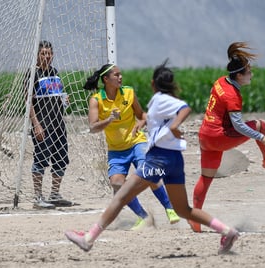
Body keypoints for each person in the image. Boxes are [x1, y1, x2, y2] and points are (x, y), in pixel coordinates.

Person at [65, 59, 239, 255]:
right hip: (174, 159)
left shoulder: (154, 100)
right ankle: (226, 230)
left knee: (120, 196)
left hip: (158, 158)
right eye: (117, 75)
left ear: (153, 84)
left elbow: (148, 116)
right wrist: (157, 124)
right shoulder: (170, 100)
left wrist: (157, 125)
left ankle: (88, 239)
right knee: (184, 210)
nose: (121, 77)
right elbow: (183, 109)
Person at [188, 42, 265, 233]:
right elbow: (238, 125)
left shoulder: (220, 82)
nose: (251, 75)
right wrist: (260, 136)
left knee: (206, 178)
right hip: (219, 136)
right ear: (239, 75)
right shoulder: (232, 95)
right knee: (260, 125)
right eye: (249, 72)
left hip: (205, 136)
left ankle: (195, 218)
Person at [83, 63, 180, 229]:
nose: (120, 77)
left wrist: (141, 123)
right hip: (116, 150)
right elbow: (92, 127)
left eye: (121, 74)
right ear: (106, 79)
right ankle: (143, 217)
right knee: (117, 184)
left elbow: (141, 114)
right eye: (116, 75)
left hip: (136, 142)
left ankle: (170, 208)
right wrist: (109, 120)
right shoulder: (96, 100)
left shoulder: (128, 92)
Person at [24, 40, 72, 209]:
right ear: (37, 56)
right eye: (43, 53)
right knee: (41, 159)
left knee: (61, 159)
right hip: (43, 125)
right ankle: (37, 197)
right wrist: (36, 124)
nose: (46, 56)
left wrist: (64, 100)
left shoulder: (55, 72)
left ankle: (54, 194)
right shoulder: (32, 74)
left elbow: (57, 95)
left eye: (49, 53)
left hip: (58, 124)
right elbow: (28, 102)